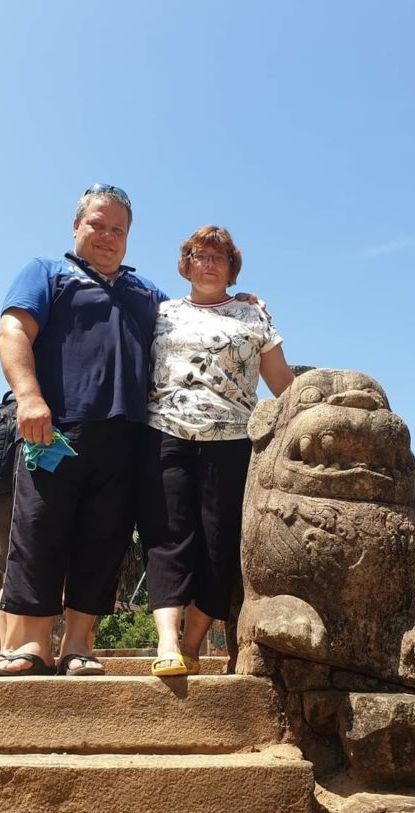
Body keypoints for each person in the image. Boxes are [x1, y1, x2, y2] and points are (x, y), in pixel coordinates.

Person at [0, 184, 167, 676]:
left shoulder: (146, 293)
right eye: (97, 224)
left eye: (118, 230)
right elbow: (13, 330)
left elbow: (193, 327)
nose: (107, 236)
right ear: (76, 226)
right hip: (55, 428)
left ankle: (79, 645)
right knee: (39, 531)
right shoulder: (47, 272)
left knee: (104, 541)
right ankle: (29, 646)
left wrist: (235, 303)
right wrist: (29, 396)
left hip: (127, 437)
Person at [138, 225, 294, 677]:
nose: (208, 263)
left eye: (218, 257)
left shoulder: (254, 318)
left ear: (232, 267)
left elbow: (281, 382)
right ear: (185, 263)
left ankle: (191, 645)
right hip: (164, 433)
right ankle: (167, 642)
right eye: (199, 255)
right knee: (167, 538)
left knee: (217, 544)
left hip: (231, 441)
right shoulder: (161, 312)